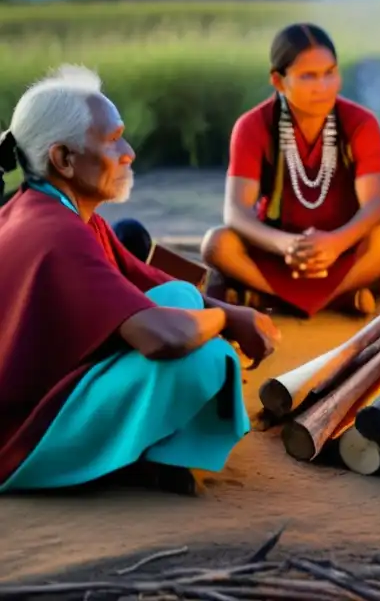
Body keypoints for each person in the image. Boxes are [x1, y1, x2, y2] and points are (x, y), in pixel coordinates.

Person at [0, 65, 277, 496]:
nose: (128, 151)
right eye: (112, 140)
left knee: (183, 297)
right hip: (19, 442)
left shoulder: (48, 209)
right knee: (200, 356)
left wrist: (234, 311)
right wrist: (223, 325)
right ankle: (130, 463)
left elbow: (148, 279)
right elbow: (163, 337)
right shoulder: (58, 232)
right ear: (63, 159)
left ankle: (137, 454)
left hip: (28, 411)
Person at [201, 23, 380, 318]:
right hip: (278, 252)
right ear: (278, 81)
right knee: (217, 245)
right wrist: (286, 245)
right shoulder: (252, 125)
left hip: (343, 250)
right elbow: (235, 212)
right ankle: (342, 298)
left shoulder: (360, 123)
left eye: (330, 73)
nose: (323, 87)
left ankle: (272, 298)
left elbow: (375, 203)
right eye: (308, 76)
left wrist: (336, 243)